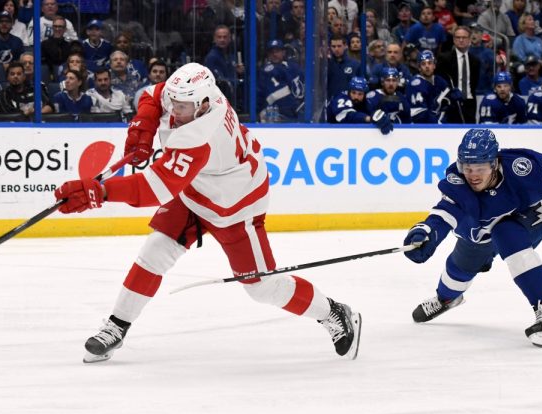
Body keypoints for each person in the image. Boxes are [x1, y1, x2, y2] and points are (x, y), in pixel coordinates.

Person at [52, 63, 362, 363]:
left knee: (262, 288)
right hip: (196, 191)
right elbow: (153, 94)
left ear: (202, 105)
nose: (174, 111)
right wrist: (144, 125)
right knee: (154, 251)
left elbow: (153, 188)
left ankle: (333, 312)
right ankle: (117, 326)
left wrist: (99, 193)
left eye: (182, 107)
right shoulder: (196, 95)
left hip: (236, 206)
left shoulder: (199, 135)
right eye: (174, 103)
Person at [402, 128, 542, 347]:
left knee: (506, 232)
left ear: (494, 163)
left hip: (530, 216)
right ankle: (446, 299)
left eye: (480, 168)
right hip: (481, 230)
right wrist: (426, 232)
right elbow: (444, 213)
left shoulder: (524, 169)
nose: (473, 175)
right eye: (467, 167)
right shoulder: (458, 182)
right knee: (458, 270)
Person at [436, 26, 479, 123]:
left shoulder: (475, 61)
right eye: (458, 37)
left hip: (470, 103)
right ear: (454, 40)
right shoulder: (444, 58)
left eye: (464, 37)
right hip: (451, 103)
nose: (461, 40)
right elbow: (440, 81)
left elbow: (474, 83)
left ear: (469, 40)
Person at [325, 76, 393, 135]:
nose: (356, 97)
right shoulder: (341, 97)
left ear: (365, 95)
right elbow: (346, 116)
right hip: (327, 133)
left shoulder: (366, 103)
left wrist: (380, 118)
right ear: (349, 91)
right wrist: (369, 118)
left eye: (360, 94)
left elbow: (374, 115)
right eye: (353, 93)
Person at [407, 50, 458, 124]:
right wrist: (438, 124)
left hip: (437, 123)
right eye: (423, 64)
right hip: (420, 127)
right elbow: (419, 114)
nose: (427, 66)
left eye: (430, 63)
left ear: (434, 65)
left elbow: (446, 103)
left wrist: (453, 97)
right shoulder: (415, 84)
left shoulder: (439, 81)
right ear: (419, 68)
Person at [258, 39, 304, 122]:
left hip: (296, 113)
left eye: (277, 51)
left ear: (283, 52)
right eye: (271, 52)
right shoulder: (266, 70)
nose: (274, 54)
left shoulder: (293, 67)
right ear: (268, 55)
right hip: (277, 115)